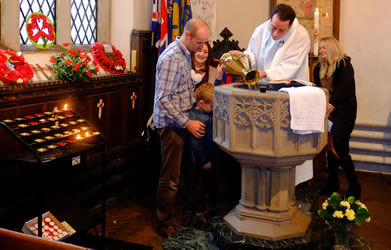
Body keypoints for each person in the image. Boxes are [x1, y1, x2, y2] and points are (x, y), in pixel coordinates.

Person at [230, 4, 312, 185]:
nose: (275, 33)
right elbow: (252, 55)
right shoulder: (261, 29)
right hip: (262, 93)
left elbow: (291, 67)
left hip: (288, 94)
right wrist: (242, 57)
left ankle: (285, 185)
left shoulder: (300, 36)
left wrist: (265, 73)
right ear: (270, 19)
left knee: (285, 144)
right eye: (273, 27)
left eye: (281, 30)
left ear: (290, 26)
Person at [153, 18, 210, 237]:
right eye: (199, 42)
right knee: (171, 178)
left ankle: (188, 211)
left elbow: (181, 91)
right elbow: (163, 100)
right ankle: (163, 222)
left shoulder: (185, 53)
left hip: (184, 121)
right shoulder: (172, 58)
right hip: (171, 125)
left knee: (187, 171)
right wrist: (188, 122)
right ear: (187, 36)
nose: (202, 47)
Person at [314, 37, 361, 199]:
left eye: (324, 48)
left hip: (344, 112)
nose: (321, 51)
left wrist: (331, 104)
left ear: (332, 48)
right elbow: (318, 90)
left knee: (339, 148)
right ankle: (333, 182)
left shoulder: (344, 65)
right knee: (329, 147)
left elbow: (344, 88)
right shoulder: (318, 68)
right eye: (320, 48)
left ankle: (355, 185)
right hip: (327, 112)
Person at [189, 83, 220, 223]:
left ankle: (211, 207)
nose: (213, 109)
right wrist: (205, 160)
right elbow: (196, 143)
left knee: (210, 183)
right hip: (204, 158)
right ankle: (200, 211)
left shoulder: (200, 112)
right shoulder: (201, 119)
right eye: (212, 106)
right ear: (201, 103)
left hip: (209, 155)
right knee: (201, 185)